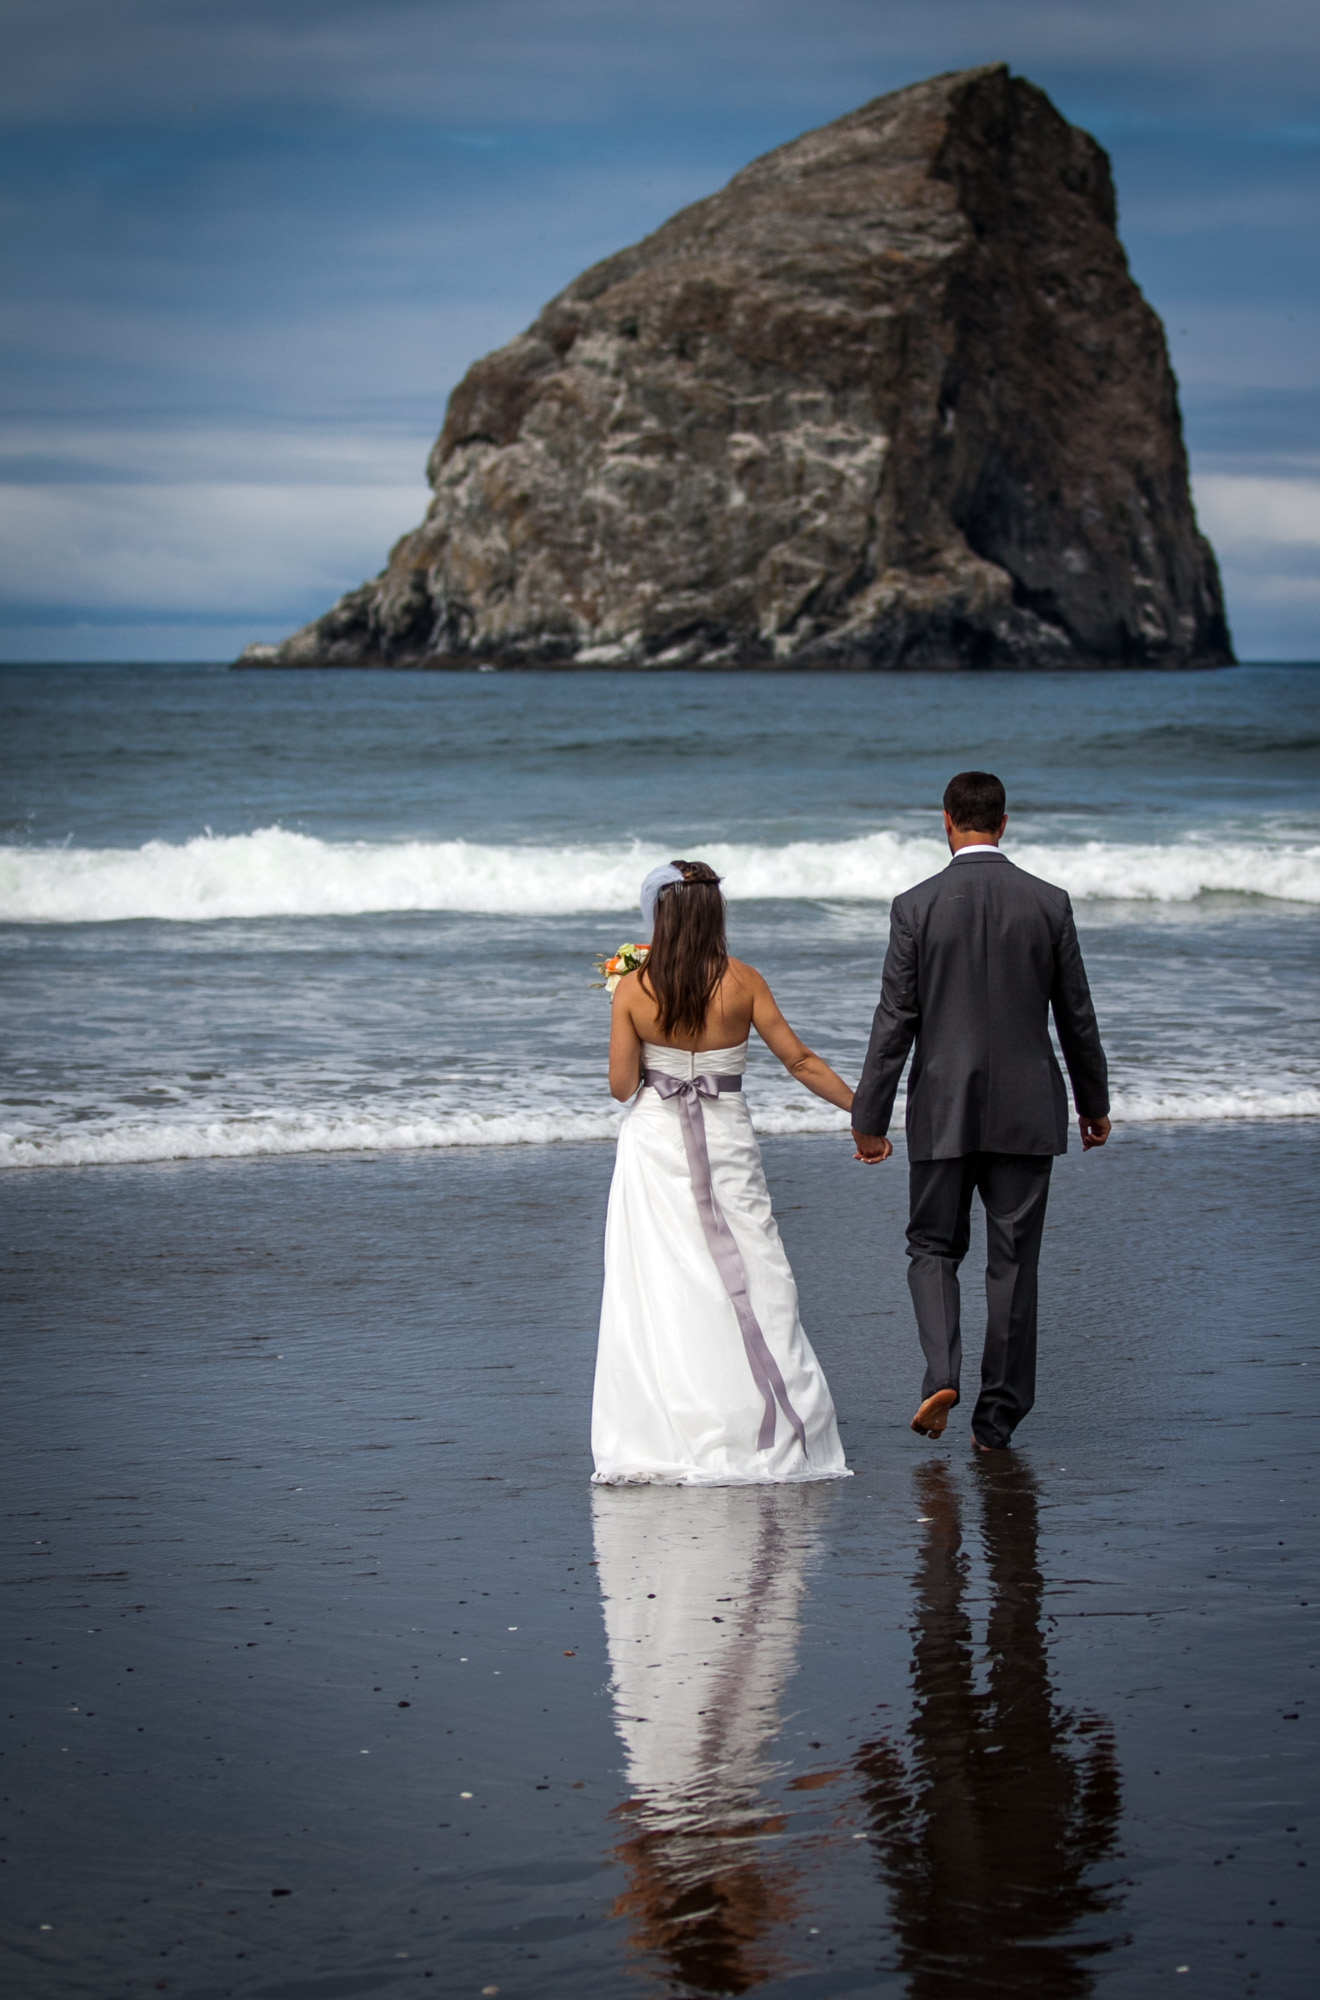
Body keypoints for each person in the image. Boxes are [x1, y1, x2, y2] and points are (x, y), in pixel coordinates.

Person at [851, 772, 1111, 1452]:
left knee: (933, 1247)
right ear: (1003, 822)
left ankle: (942, 1372)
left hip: (942, 1105)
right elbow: (1076, 1014)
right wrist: (1094, 1104)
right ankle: (996, 1420)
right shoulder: (1048, 903)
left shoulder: (916, 905)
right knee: (1014, 1261)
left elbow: (895, 1019)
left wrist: (869, 1115)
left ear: (946, 821)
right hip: (1029, 1108)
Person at [592, 860, 854, 1485]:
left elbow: (621, 1087)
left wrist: (628, 1003)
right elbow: (800, 1060)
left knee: (661, 1282)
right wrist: (865, 1111)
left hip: (656, 1146)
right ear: (714, 914)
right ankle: (768, 1417)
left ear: (660, 916)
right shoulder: (743, 981)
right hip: (727, 1135)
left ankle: (676, 1421)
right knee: (753, 1269)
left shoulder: (635, 987)